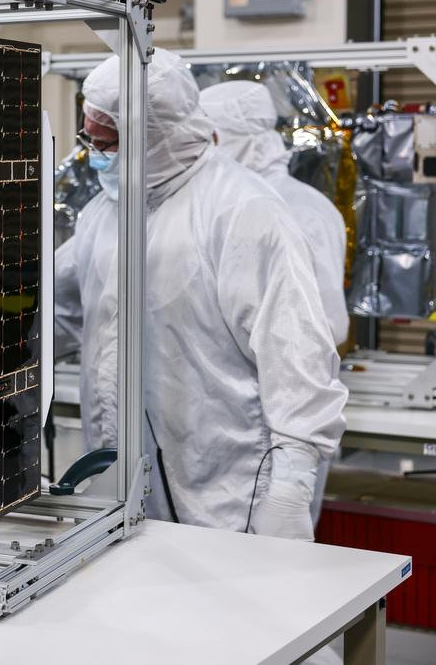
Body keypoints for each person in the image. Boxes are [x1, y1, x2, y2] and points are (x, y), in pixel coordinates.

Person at [54, 48, 348, 542]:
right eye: (89, 139)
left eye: (106, 142)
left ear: (151, 135)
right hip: (123, 485)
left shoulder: (242, 211)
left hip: (227, 491)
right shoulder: (104, 214)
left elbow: (297, 358)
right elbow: (59, 310)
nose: (94, 152)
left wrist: (291, 486)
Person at [199, 80, 349, 346]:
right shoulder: (222, 206)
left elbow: (325, 325)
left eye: (211, 140)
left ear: (244, 139)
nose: (202, 154)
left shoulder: (302, 210)